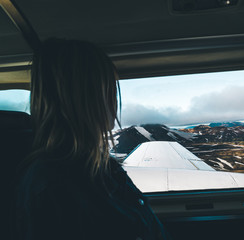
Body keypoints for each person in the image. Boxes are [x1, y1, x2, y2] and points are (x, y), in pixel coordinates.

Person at [13, 38, 170, 240]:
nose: (115, 100)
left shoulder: (96, 168)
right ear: (88, 96)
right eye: (109, 87)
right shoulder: (54, 184)